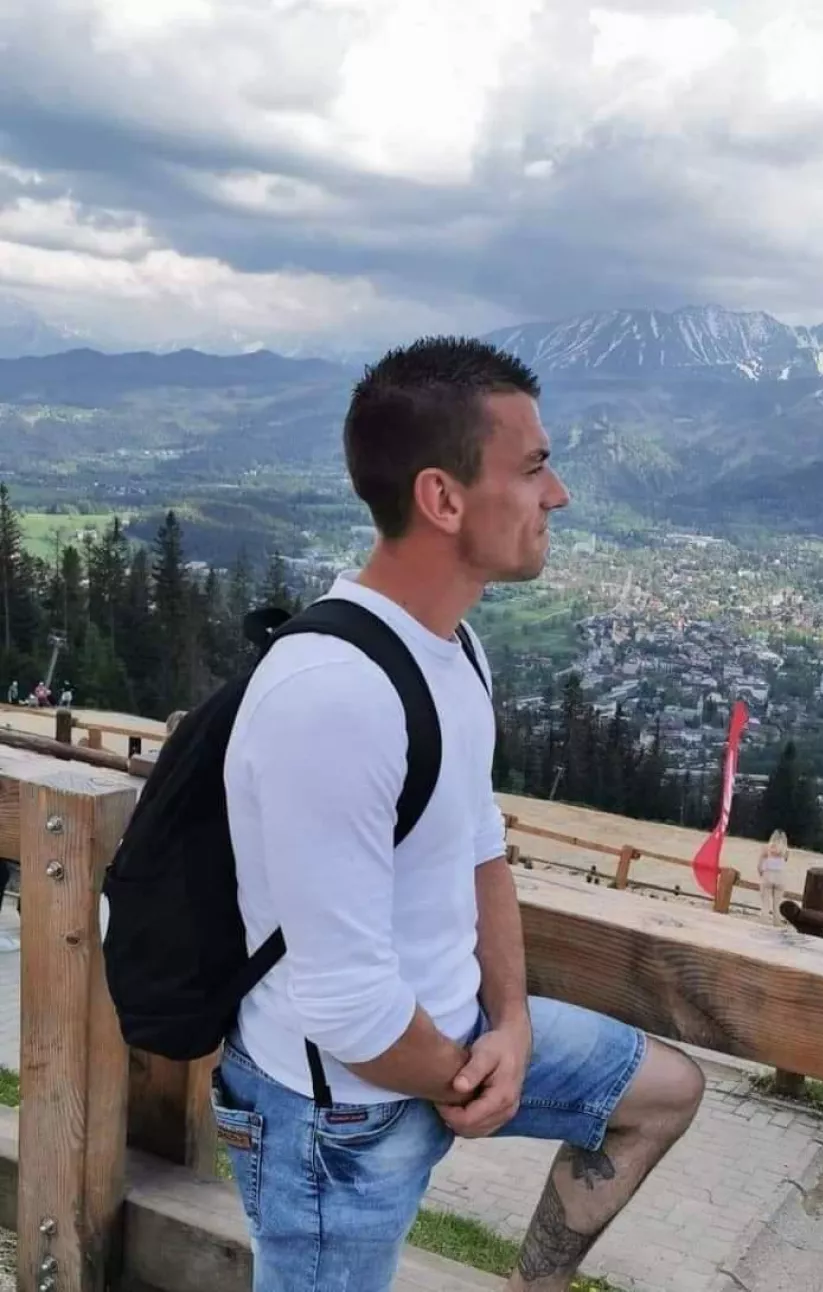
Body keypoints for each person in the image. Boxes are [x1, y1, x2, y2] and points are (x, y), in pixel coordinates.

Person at [218, 337, 705, 1292]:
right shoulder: (333, 697)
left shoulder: (451, 648)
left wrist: (511, 1025)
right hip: (336, 1120)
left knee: (662, 1093)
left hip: (452, 1044)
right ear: (443, 499)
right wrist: (476, 1077)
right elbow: (346, 1003)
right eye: (532, 468)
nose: (557, 494)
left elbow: (481, 852)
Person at [757, 829, 788, 925]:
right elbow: (784, 861)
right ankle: (776, 921)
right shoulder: (785, 850)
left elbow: (759, 865)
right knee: (777, 903)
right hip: (780, 877)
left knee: (765, 902)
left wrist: (761, 873)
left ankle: (764, 919)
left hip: (768, 875)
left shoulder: (766, 848)